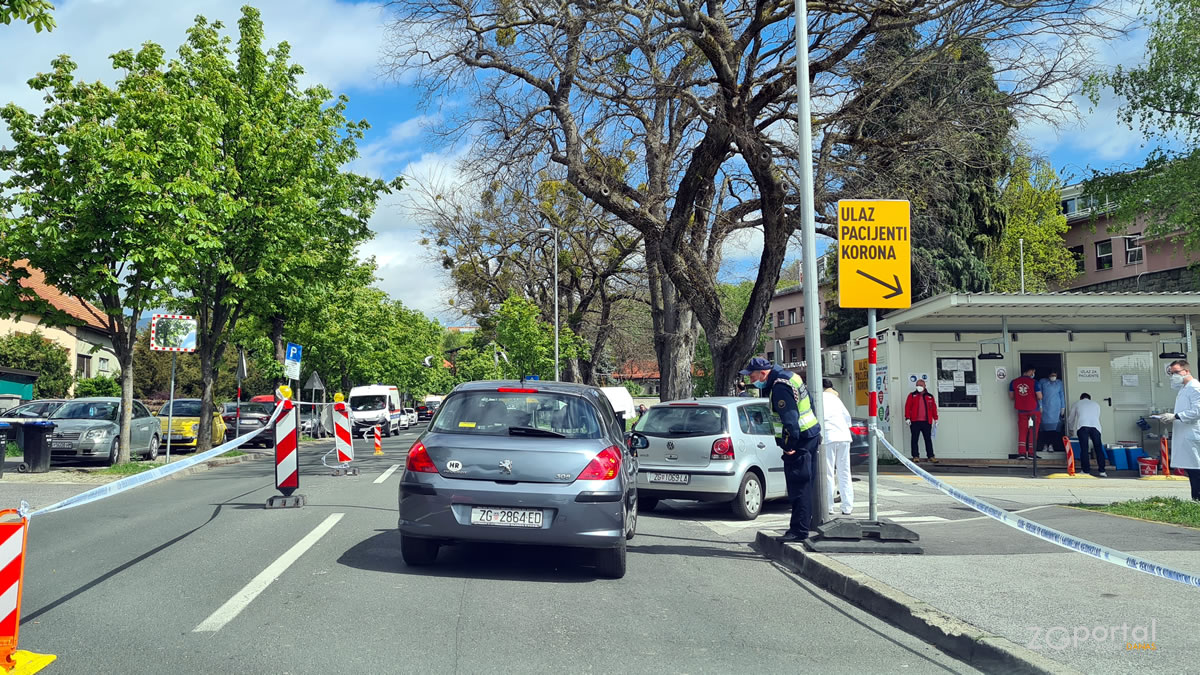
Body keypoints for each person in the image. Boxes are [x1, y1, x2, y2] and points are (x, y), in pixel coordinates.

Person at [741, 356, 822, 541]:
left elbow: (790, 419)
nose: (750, 380)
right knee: (806, 485)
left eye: (752, 376)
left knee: (798, 487)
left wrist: (789, 446)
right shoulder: (790, 377)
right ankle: (802, 527)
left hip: (798, 442)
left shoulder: (779, 387)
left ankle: (798, 531)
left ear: (763, 373)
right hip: (809, 435)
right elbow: (809, 403)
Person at [1157, 360, 1200, 501]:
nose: (1174, 376)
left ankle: (1197, 499)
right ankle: (1195, 498)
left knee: (1195, 468)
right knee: (1191, 468)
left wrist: (1176, 416)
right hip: (1185, 433)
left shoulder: (1195, 388)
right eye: (1171, 373)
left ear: (1186, 371)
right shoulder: (1184, 388)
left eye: (1176, 372)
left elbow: (1197, 411)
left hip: (1192, 433)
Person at [821, 378, 854, 516]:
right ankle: (847, 506)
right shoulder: (836, 399)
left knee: (828, 473)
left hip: (828, 437)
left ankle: (828, 506)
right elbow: (848, 419)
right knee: (844, 472)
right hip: (844, 436)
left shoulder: (818, 397)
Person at [1067, 393, 1106, 477]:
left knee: (1084, 449)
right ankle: (1102, 471)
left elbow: (1071, 418)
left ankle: (1086, 471)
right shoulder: (1096, 404)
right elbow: (1097, 416)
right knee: (1098, 448)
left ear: (1081, 398)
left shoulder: (1077, 403)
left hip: (1082, 426)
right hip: (1095, 427)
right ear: (1089, 398)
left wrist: (1071, 429)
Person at [1009, 367, 1042, 459]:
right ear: (1030, 371)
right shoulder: (1035, 382)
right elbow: (1039, 396)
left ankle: (1022, 453)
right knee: (1033, 431)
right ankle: (1031, 453)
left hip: (1021, 411)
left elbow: (1011, 397)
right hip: (1034, 411)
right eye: (1033, 372)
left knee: (1022, 431)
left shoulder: (1013, 382)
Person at [903, 379, 938, 463]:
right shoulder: (912, 395)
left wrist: (936, 418)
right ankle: (915, 456)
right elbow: (907, 407)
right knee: (914, 439)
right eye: (917, 385)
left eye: (921, 385)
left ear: (925, 386)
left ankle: (931, 456)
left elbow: (933, 408)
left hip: (926, 421)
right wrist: (907, 418)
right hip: (915, 421)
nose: (919, 387)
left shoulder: (930, 396)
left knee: (928, 439)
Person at [1036, 370, 1067, 454]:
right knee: (1044, 428)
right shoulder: (1042, 382)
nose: (1053, 376)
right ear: (1048, 375)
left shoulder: (1059, 383)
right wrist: (1040, 406)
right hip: (1045, 408)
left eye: (1055, 375)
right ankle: (1045, 444)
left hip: (1056, 408)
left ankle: (1051, 445)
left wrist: (1063, 407)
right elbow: (1039, 394)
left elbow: (1061, 394)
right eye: (1052, 375)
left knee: (1054, 429)